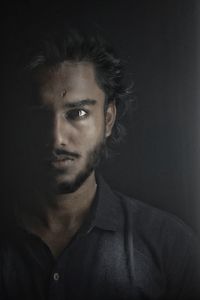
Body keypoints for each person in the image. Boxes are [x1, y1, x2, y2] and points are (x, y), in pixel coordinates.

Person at [1, 29, 200, 300]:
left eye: (78, 113)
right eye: (40, 115)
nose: (56, 137)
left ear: (108, 119)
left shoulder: (169, 245)